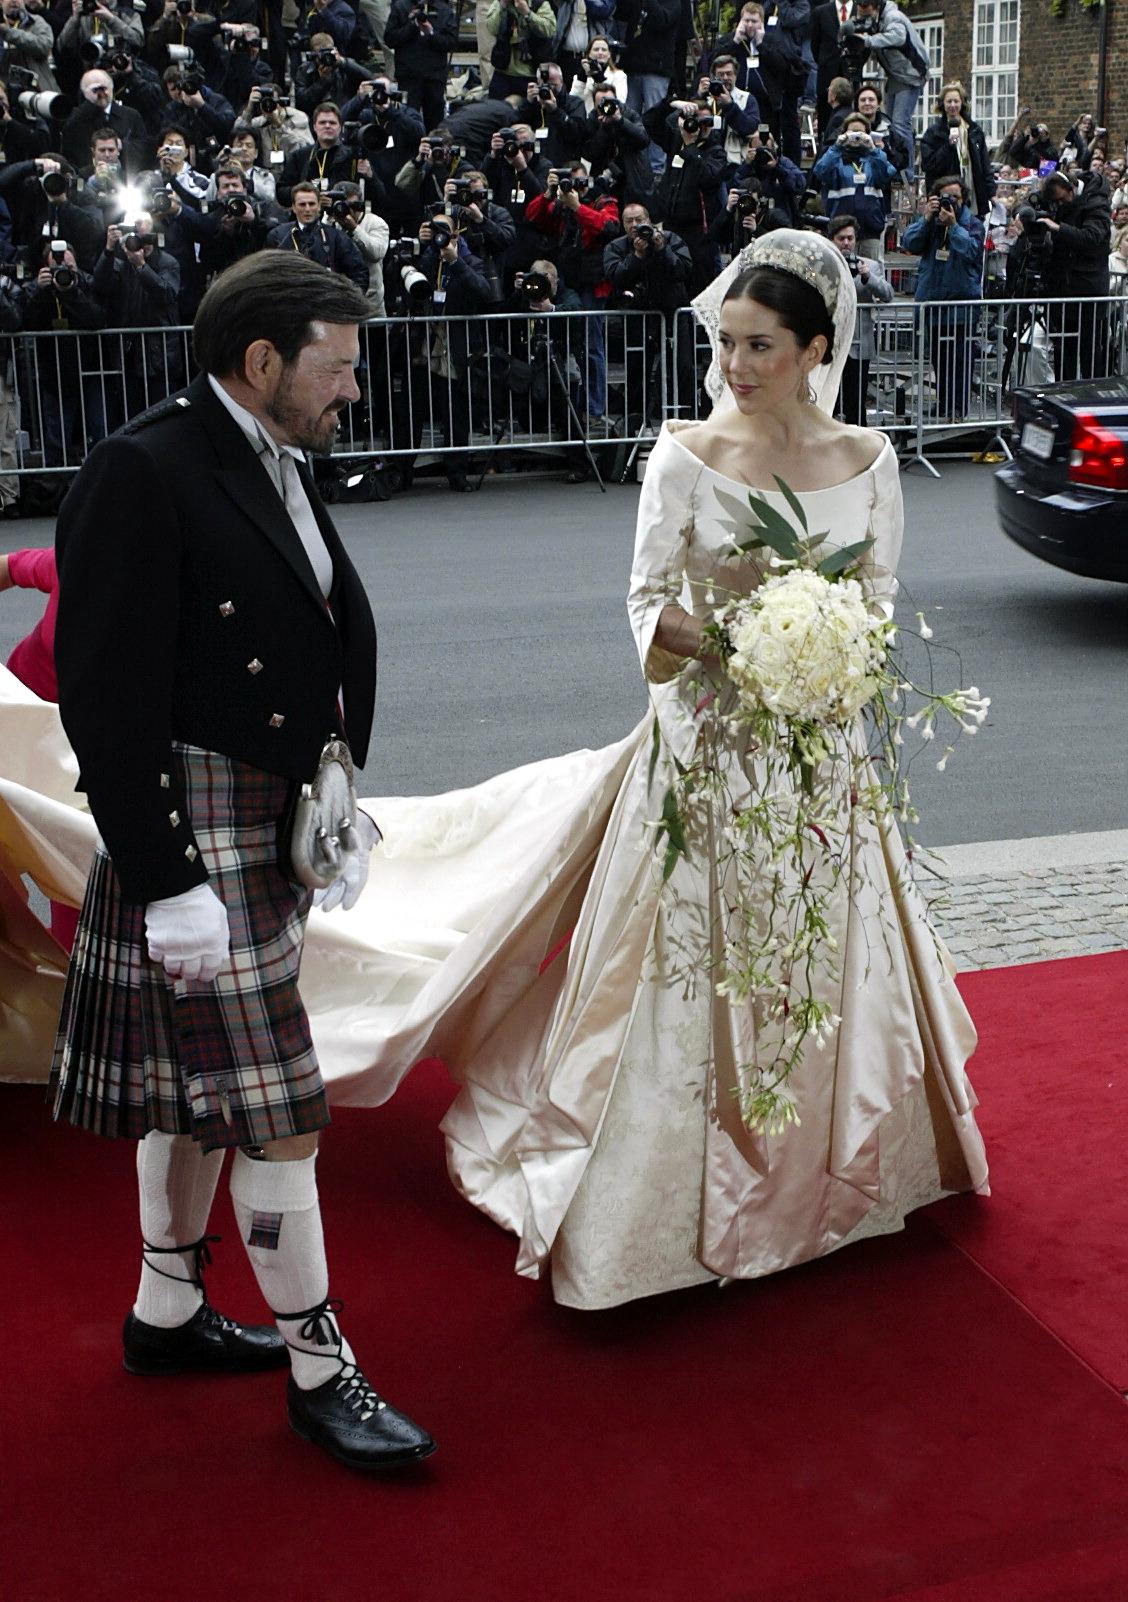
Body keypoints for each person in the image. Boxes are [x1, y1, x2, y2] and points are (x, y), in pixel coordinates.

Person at [429, 229, 986, 1305]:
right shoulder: (683, 452)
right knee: (692, 967)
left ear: (817, 348)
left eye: (760, 345)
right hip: (709, 750)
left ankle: (838, 1184)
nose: (734, 365)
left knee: (826, 954)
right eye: (726, 341)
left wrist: (823, 658)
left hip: (820, 753)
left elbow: (874, 606)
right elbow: (648, 603)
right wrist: (740, 650)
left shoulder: (870, 464)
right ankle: (655, 1212)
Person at [48, 251, 435, 1471]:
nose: (354, 392)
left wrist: (333, 792)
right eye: (339, 368)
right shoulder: (142, 469)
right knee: (278, 1115)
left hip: (264, 825)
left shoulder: (271, 455)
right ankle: (323, 1371)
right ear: (260, 363)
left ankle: (166, 1309)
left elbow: (302, 630)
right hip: (194, 832)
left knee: (207, 1097)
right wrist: (167, 881)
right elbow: (101, 697)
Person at [902, 177, 984, 422]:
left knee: (960, 360)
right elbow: (909, 243)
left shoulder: (972, 224)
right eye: (945, 197)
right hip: (936, 303)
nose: (951, 202)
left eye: (956, 198)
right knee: (940, 359)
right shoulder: (932, 223)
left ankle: (958, 409)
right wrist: (927, 218)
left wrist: (955, 226)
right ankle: (944, 403)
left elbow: (971, 251)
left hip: (962, 304)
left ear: (964, 198)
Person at [839, 0, 929, 182]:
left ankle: (908, 172)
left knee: (900, 124)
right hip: (896, 75)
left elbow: (898, 36)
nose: (861, 12)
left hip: (911, 74)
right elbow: (857, 29)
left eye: (865, 8)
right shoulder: (875, 17)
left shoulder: (892, 17)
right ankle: (896, 164)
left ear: (875, 6)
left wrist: (868, 41)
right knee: (892, 125)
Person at [1036, 168, 1112, 382]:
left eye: (1061, 200)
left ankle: (1095, 401)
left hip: (1088, 294)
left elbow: (1092, 238)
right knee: (1064, 354)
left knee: (1091, 356)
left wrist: (1058, 228)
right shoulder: (1060, 199)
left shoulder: (1096, 203)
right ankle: (1065, 400)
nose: (1059, 206)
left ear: (1072, 189)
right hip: (1063, 291)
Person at [827, 210, 890, 424]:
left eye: (850, 238)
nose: (846, 243)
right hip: (830, 344)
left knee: (856, 403)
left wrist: (867, 277)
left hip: (859, 344)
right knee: (829, 402)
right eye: (841, 238)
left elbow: (888, 294)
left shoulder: (870, 265)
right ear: (832, 240)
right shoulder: (823, 265)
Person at [812, 111, 896, 261]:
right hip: (841, 233)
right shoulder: (835, 158)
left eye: (861, 133)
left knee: (870, 277)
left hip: (870, 231)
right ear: (844, 134)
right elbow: (820, 171)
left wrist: (874, 149)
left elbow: (888, 173)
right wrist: (837, 146)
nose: (857, 136)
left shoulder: (874, 159)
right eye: (852, 131)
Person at [920, 82, 994, 220]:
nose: (952, 105)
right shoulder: (933, 133)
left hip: (972, 189)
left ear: (962, 103)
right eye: (949, 101)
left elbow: (985, 164)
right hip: (947, 193)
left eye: (956, 101)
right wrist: (948, 146)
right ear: (942, 104)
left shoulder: (974, 130)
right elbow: (928, 165)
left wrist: (991, 192)